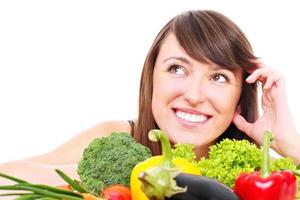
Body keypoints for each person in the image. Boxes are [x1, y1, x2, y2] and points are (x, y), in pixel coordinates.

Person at [1, 10, 299, 186]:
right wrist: (114, 177)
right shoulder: (117, 138)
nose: (194, 95)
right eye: (177, 68)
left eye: (218, 77)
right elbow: (7, 179)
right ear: (151, 77)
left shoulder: (261, 176)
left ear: (240, 95)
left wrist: (289, 144)